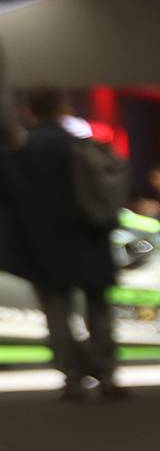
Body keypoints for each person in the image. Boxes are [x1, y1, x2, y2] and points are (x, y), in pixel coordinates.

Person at [0, 87, 125, 400]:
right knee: (98, 307)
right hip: (89, 236)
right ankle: (106, 374)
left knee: (56, 312)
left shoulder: (20, 152)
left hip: (43, 242)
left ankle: (72, 377)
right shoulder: (82, 145)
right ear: (62, 107)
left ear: (30, 109)